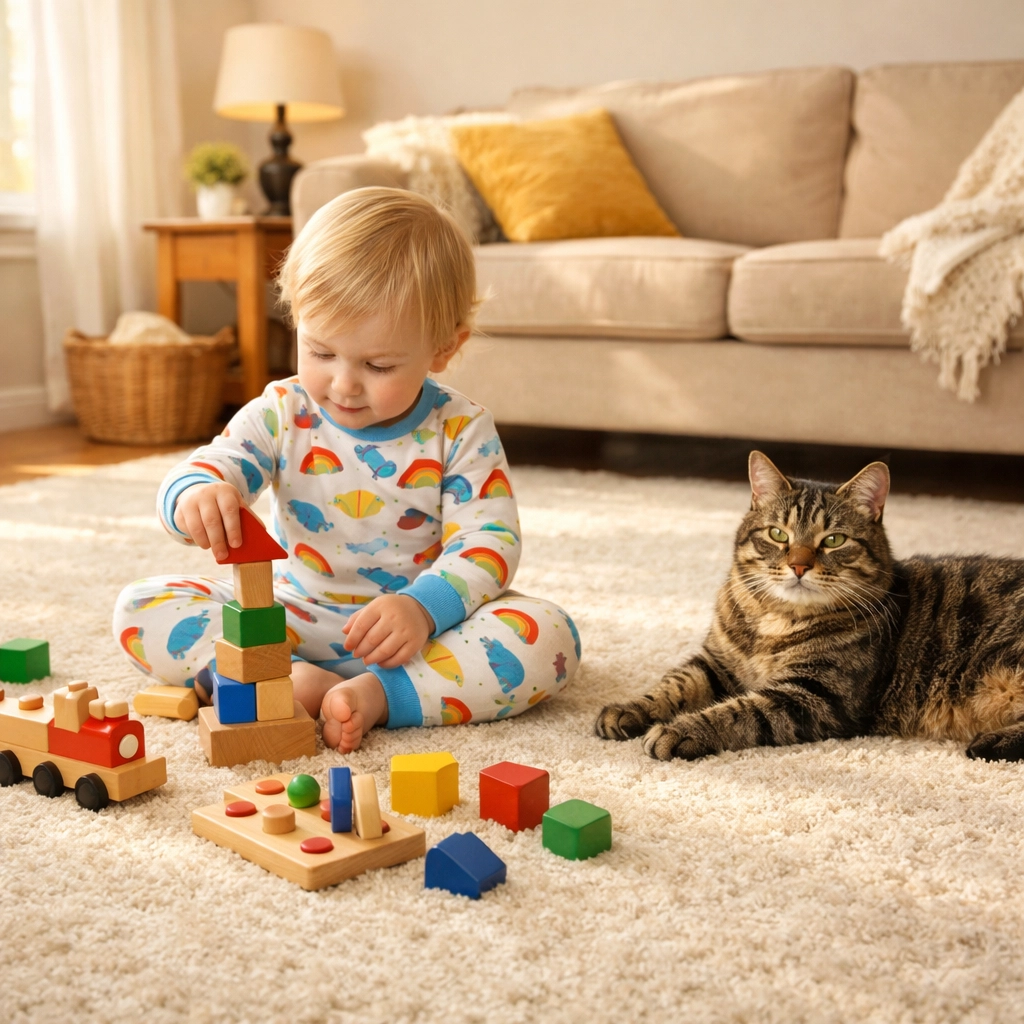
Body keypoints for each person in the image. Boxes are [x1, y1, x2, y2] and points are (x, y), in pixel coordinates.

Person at [112, 187, 581, 752]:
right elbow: (221, 461)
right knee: (139, 608)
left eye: (377, 364)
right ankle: (286, 679)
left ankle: (380, 695)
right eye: (321, 351)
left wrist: (423, 608)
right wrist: (199, 492)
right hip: (284, 622)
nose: (343, 383)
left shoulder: (461, 428)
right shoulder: (283, 410)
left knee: (548, 637)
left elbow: (489, 541)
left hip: (417, 637)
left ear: (443, 349)